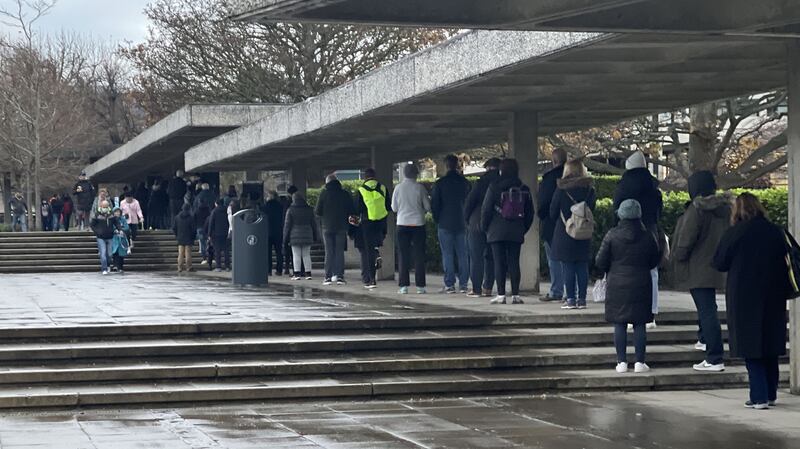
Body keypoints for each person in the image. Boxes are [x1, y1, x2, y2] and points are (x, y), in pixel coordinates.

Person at [713, 193, 790, 410]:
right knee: (770, 342)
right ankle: (771, 392)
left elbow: (720, 262)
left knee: (750, 343)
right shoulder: (774, 230)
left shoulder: (735, 232)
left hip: (744, 293)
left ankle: (759, 396)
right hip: (774, 292)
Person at [673, 171, 731, 373]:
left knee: (707, 311)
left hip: (699, 266)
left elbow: (686, 239)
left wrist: (678, 257)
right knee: (709, 309)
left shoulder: (697, 210)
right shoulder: (726, 209)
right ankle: (706, 341)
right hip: (719, 265)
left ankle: (714, 357)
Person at [596, 199, 661, 374]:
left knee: (619, 323)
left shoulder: (612, 235)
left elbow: (600, 260)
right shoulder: (648, 235)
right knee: (639, 323)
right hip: (641, 282)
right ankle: (640, 362)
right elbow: (655, 259)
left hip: (617, 282)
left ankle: (621, 362)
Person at [613, 151, 664, 326]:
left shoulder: (623, 186)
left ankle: (628, 315)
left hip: (626, 231)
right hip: (650, 232)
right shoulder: (653, 188)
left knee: (627, 272)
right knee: (652, 273)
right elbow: (659, 213)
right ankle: (652, 312)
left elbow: (616, 210)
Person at [480, 158, 534, 305]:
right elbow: (530, 213)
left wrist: (485, 228)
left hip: (496, 230)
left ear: (501, 170)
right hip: (516, 230)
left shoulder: (494, 186)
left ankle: (501, 295)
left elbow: (486, 210)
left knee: (499, 262)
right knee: (514, 262)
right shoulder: (524, 188)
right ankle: (516, 295)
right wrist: (523, 228)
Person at [550, 160, 596, 309]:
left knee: (568, 266)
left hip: (565, 231)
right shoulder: (590, 189)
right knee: (582, 266)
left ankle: (570, 299)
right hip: (584, 229)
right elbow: (592, 209)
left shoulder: (562, 189)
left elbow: (552, 211)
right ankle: (582, 300)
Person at [431, 154, 471, 294]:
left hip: (445, 222)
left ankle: (449, 284)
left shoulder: (440, 183)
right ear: (457, 165)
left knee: (447, 254)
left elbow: (435, 204)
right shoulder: (465, 182)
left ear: (446, 165)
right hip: (462, 222)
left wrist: (437, 219)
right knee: (463, 254)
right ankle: (464, 284)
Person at [464, 158, 501, 298]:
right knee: (491, 257)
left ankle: (476, 288)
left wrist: (467, 219)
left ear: (488, 167)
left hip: (476, 221)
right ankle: (488, 287)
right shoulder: (501, 182)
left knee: (476, 256)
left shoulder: (481, 182)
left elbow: (469, 202)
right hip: (494, 222)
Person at [392, 163, 431, 294]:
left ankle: (403, 286)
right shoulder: (420, 188)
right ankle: (420, 286)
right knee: (419, 255)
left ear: (404, 174)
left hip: (402, 223)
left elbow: (394, 208)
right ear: (416, 174)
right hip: (418, 224)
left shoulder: (398, 188)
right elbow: (427, 207)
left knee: (403, 255)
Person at [537, 148, 568, 302]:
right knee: (570, 259)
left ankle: (557, 290)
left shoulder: (549, 179)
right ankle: (571, 292)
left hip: (551, 224)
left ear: (554, 161)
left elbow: (542, 204)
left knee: (554, 259)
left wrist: (543, 216)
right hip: (572, 223)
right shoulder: (575, 177)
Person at [316, 174, 355, 285]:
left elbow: (318, 211)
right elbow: (351, 210)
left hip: (327, 227)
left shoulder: (323, 193)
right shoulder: (344, 194)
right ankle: (339, 276)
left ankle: (327, 277)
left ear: (327, 182)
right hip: (341, 227)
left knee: (329, 252)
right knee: (339, 252)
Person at [354, 168, 391, 289]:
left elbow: (358, 209)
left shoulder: (361, 190)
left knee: (368, 250)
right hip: (381, 223)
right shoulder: (383, 188)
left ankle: (371, 280)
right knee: (376, 244)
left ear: (365, 177)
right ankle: (376, 252)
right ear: (375, 176)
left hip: (367, 223)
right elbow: (388, 207)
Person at [284, 192, 319, 280]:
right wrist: (316, 235)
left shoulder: (290, 210)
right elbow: (314, 224)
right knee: (306, 254)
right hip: (307, 234)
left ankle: (297, 274)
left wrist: (285, 237)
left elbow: (287, 225)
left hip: (294, 235)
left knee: (296, 255)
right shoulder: (309, 209)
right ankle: (308, 273)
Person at [90, 200, 118, 275]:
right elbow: (92, 225)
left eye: (106, 206)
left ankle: (108, 265)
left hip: (110, 236)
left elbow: (116, 223)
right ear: (101, 206)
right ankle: (104, 268)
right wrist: (97, 232)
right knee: (103, 253)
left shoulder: (111, 214)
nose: (105, 208)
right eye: (104, 206)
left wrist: (120, 229)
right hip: (100, 237)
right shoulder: (97, 214)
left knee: (110, 254)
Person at [262, 191, 285, 276]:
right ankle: (279, 270)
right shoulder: (280, 206)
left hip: (267, 232)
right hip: (278, 231)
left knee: (268, 252)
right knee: (279, 252)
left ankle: (268, 270)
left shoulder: (265, 207)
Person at [193, 183, 215, 265]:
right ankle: (212, 257)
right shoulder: (212, 196)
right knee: (211, 242)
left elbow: (194, 217)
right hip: (209, 226)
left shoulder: (198, 196)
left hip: (200, 226)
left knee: (202, 242)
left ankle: (204, 257)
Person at [208, 198, 231, 272]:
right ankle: (227, 266)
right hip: (226, 233)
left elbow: (211, 223)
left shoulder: (214, 211)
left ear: (216, 203)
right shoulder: (227, 211)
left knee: (217, 250)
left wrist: (209, 234)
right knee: (226, 250)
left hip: (216, 234)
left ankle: (218, 266)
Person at [173, 203, 196, 273]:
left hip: (180, 237)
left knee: (180, 254)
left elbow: (174, 228)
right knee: (188, 253)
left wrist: (177, 235)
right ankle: (188, 267)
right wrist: (193, 237)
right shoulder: (191, 218)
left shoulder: (177, 217)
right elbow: (193, 229)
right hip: (188, 238)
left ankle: (179, 267)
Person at [111, 207, 130, 274]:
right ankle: (115, 265)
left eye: (118, 212)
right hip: (114, 238)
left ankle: (120, 267)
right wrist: (114, 230)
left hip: (122, 238)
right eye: (116, 212)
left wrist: (122, 230)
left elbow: (127, 227)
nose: (117, 213)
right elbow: (110, 227)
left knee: (121, 254)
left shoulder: (123, 219)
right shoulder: (112, 219)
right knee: (115, 252)